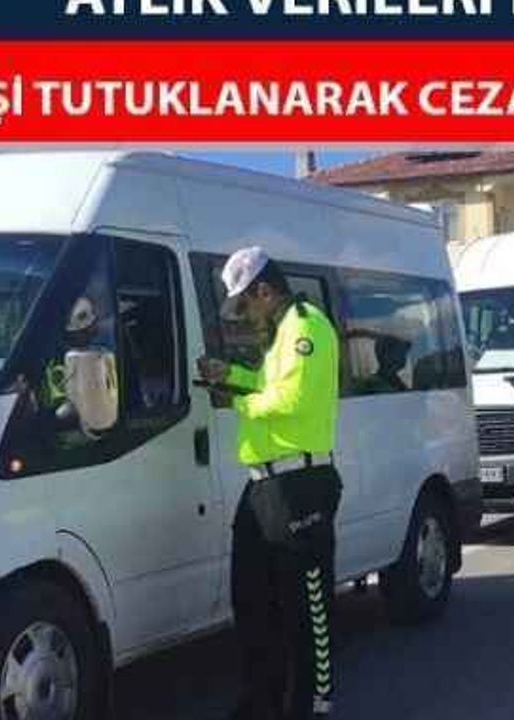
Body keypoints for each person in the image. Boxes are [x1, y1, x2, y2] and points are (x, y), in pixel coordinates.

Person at [198, 247, 342, 720]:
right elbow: (266, 384)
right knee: (253, 600)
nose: (243, 316)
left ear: (264, 291)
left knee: (308, 610)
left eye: (244, 305)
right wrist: (231, 376)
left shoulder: (306, 328)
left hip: (300, 484)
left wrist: (235, 400)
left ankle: (313, 705)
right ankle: (261, 702)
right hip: (264, 486)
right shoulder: (281, 334)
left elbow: (289, 400)